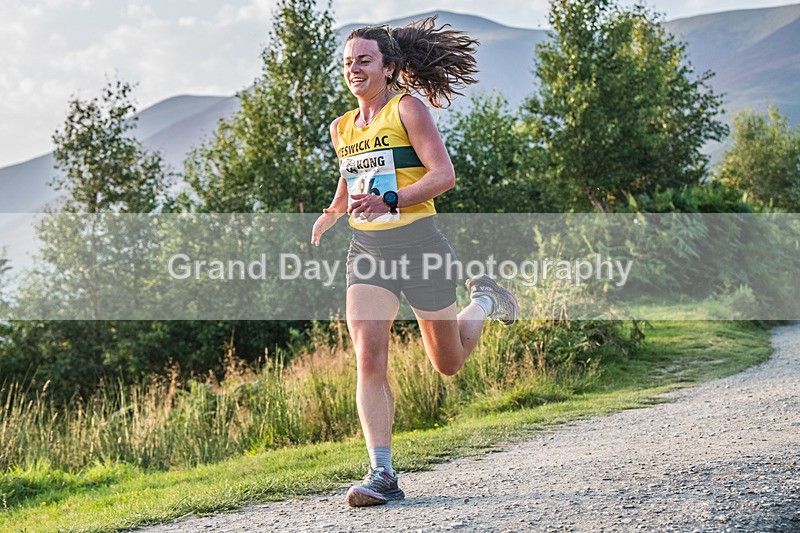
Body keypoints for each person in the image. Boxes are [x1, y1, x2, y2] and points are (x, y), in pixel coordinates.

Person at [310, 16, 519, 508]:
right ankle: (382, 472)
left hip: (420, 245)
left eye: (364, 61)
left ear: (388, 67)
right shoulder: (342, 127)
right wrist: (332, 213)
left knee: (448, 364)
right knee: (367, 353)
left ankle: (487, 300)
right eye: (348, 63)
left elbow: (443, 176)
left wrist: (392, 200)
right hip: (367, 252)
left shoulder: (408, 110)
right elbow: (350, 178)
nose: (354, 70)